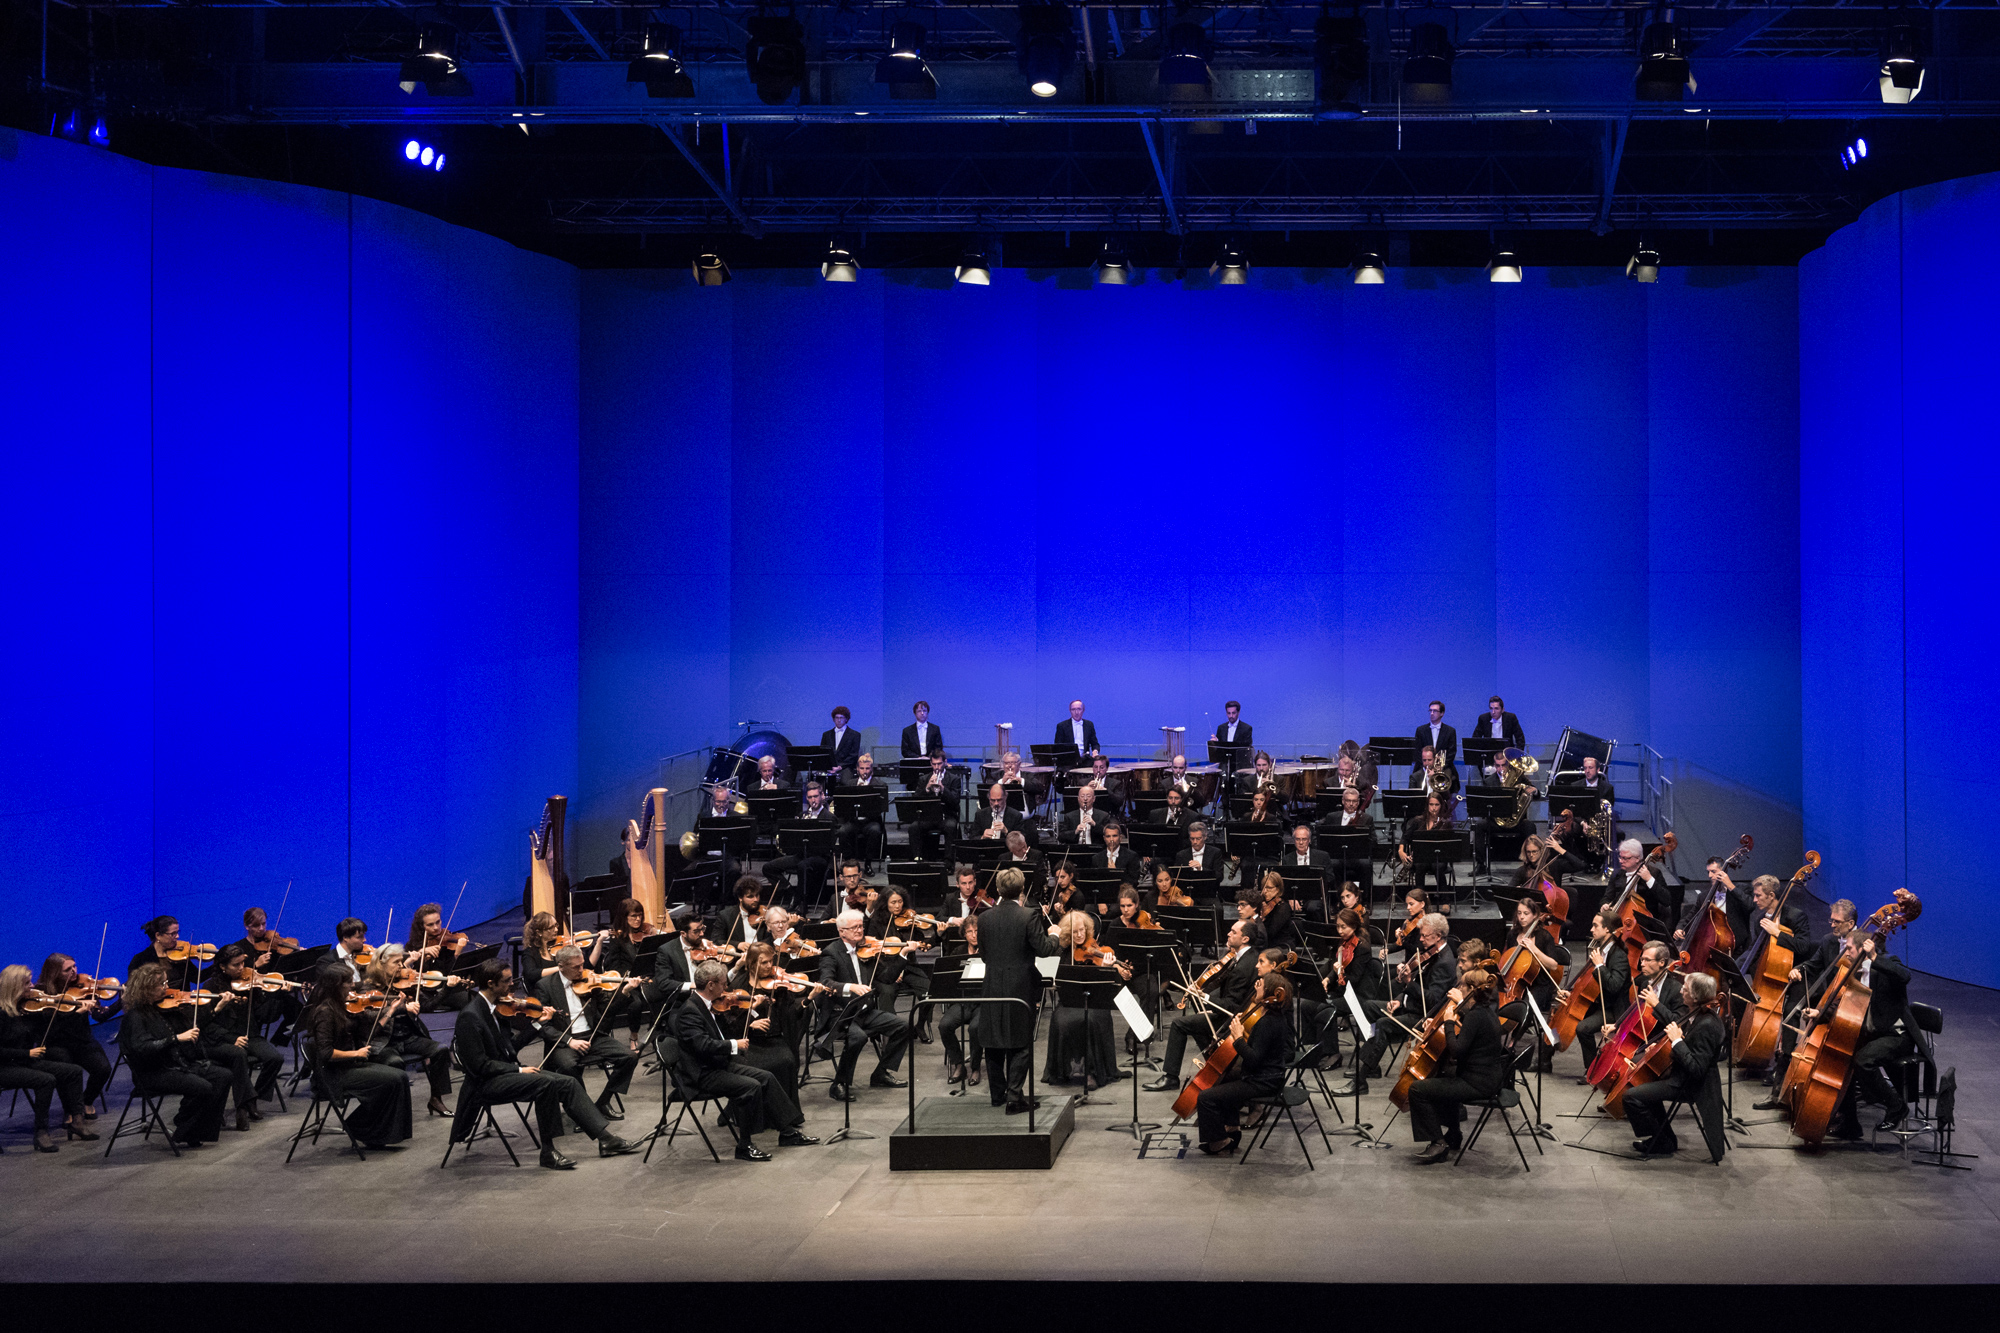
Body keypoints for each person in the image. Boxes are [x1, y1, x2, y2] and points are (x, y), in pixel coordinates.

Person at [448, 960, 640, 1169]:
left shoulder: (497, 1008)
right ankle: (547, 1152)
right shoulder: (471, 1016)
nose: (512, 985)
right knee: (544, 1083)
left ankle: (606, 1140)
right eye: (507, 981)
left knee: (567, 1083)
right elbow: (479, 1066)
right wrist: (519, 1069)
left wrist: (538, 1022)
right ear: (491, 983)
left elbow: (511, 1047)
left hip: (504, 1073)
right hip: (485, 1082)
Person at [669, 960, 818, 1161]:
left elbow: (729, 1030)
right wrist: (734, 1045)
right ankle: (744, 1146)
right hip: (701, 1074)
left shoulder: (710, 1005)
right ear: (711, 984)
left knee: (767, 1077)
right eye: (723, 983)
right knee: (750, 1086)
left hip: (719, 1065)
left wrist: (752, 1011)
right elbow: (702, 1045)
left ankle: (788, 1133)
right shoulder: (690, 1011)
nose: (727, 988)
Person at [1807, 923, 1917, 1138]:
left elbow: (1904, 976)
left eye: (1849, 948)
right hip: (1872, 1034)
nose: (1845, 952)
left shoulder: (1887, 962)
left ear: (1863, 949)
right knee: (1843, 1060)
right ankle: (1850, 1124)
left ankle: (1896, 1106)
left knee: (1862, 1060)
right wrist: (1819, 1014)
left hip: (1895, 1035)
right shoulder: (1854, 973)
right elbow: (1845, 1007)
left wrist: (1875, 957)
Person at [1339, 912, 1455, 1096]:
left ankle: (1360, 1079)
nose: (1421, 939)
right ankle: (1373, 1064)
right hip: (1408, 1005)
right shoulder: (1430, 954)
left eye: (1425, 935)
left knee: (1383, 1025)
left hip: (1422, 1016)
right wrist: (1399, 999)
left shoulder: (1445, 962)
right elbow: (1417, 985)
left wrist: (1409, 983)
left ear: (1438, 936)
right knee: (1369, 1006)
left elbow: (1432, 999)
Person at [299, 963, 413, 1151]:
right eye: (348, 982)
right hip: (334, 1074)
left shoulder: (342, 1006)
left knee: (399, 1077)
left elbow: (373, 1031)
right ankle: (359, 1127)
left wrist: (390, 1011)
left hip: (350, 1065)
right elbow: (326, 1053)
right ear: (336, 985)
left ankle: (371, 1131)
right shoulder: (325, 1013)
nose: (353, 986)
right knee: (393, 1079)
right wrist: (356, 1053)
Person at [117, 963, 231, 1149]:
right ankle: (185, 1128)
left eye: (165, 982)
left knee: (223, 1076)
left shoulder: (163, 1008)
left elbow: (191, 1027)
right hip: (153, 1072)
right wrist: (176, 1038)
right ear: (145, 989)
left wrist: (215, 1009)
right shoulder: (136, 1016)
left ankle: (190, 1127)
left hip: (175, 1064)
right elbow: (142, 1047)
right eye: (160, 985)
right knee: (202, 1087)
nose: (166, 988)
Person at [974, 867, 1061, 1113]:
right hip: (1020, 987)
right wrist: (1054, 935)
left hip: (991, 985)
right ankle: (1014, 1097)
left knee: (992, 1041)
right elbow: (1044, 949)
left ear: (998, 890)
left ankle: (997, 1095)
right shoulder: (1028, 916)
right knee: (1020, 1041)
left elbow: (983, 954)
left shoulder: (984, 917)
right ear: (1022, 889)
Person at [1144, 918, 1262, 1093]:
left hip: (1231, 1019)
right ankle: (1214, 1068)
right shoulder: (1248, 956)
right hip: (1233, 1013)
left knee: (1179, 1024)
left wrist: (1205, 997)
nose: (1228, 934)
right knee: (1197, 1025)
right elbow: (1223, 985)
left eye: (1233, 932)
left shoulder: (1242, 967)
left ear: (1245, 939)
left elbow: (1230, 1005)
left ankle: (1171, 1077)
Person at [1621, 971, 1729, 1156]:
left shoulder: (1708, 1025)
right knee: (1644, 1086)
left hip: (1689, 1084)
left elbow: (1697, 1069)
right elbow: (1685, 1040)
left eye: (1685, 990)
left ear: (1695, 997)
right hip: (1679, 1075)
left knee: (1631, 1097)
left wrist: (1677, 1042)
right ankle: (1664, 1140)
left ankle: (1661, 1141)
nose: (1681, 992)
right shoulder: (1695, 1013)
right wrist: (1659, 1048)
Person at [1406, 963, 1505, 1163]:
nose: (1459, 990)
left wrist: (1449, 1022)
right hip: (1489, 1078)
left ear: (1472, 990)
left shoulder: (1476, 1016)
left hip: (1477, 1084)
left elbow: (1457, 1051)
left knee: (1417, 1089)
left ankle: (1437, 1143)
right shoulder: (1485, 1012)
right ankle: (1453, 1134)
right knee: (1444, 1077)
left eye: (1462, 987)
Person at [531, 946, 644, 1122]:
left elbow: (607, 1010)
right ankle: (583, 1112)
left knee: (629, 1056)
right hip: (565, 1040)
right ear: (561, 966)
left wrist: (625, 991)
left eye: (582, 965)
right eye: (576, 967)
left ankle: (603, 1102)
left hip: (592, 1035)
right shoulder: (545, 986)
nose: (581, 970)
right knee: (568, 1066)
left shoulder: (589, 981)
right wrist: (569, 1041)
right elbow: (542, 1024)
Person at [1194, 973, 1295, 1157]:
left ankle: (1218, 1142)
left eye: (1260, 985)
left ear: (1269, 993)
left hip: (1263, 1081)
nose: (1256, 987)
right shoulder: (1269, 1015)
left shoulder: (1269, 1023)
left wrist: (1238, 1038)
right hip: (1265, 1075)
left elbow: (1254, 1059)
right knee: (1223, 1078)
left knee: (1205, 1097)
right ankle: (1232, 1128)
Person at [816, 909, 912, 1100]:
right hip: (842, 1014)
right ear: (842, 931)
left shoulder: (866, 950)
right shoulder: (831, 953)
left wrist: (903, 954)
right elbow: (825, 983)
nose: (860, 931)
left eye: (861, 926)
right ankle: (839, 1083)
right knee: (858, 1038)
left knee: (903, 1026)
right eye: (854, 928)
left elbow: (887, 978)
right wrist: (851, 987)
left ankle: (880, 1073)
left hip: (865, 1012)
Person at [0, 965, 94, 1151]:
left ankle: (77, 1121)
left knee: (73, 1071)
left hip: (25, 1063)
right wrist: (26, 1053)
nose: (32, 986)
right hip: (5, 1067)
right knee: (46, 1080)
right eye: (27, 983)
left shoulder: (26, 1010)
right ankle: (41, 1132)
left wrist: (75, 1014)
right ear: (14, 986)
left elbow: (50, 1030)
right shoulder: (2, 1014)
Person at [203, 943, 289, 1124]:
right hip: (223, 1038)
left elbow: (265, 1015)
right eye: (236, 965)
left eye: (243, 963)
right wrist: (231, 1037)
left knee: (275, 1058)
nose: (242, 968)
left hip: (249, 1034)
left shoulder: (250, 981)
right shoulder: (210, 986)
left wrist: (278, 995)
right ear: (222, 966)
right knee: (239, 1055)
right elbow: (206, 1024)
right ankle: (244, 1107)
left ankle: (253, 1098)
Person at [1044, 912, 1132, 1089]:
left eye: (1082, 930)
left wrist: (1108, 968)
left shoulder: (1095, 949)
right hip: (1069, 1000)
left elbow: (1110, 986)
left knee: (1090, 1020)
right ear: (1068, 934)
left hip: (1095, 1001)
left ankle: (1090, 1070)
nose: (1080, 935)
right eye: (1075, 932)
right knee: (1060, 1020)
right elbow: (1053, 978)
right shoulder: (1061, 952)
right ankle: (1065, 1069)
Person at [34, 953, 115, 1117]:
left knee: (103, 1069)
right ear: (54, 973)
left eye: (74, 967)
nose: (74, 972)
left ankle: (86, 1101)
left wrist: (120, 1003)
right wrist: (77, 1013)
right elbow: (52, 1029)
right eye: (67, 970)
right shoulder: (43, 994)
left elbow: (99, 1016)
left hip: (81, 1040)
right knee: (66, 1071)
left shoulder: (82, 986)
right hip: (56, 1043)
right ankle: (69, 1110)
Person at [1558, 909, 1634, 1071]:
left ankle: (1593, 1069)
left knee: (1583, 1028)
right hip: (1597, 1002)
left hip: (1613, 1008)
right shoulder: (1600, 950)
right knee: (1562, 1012)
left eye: (1595, 926)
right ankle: (1545, 1060)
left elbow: (1614, 986)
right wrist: (1572, 994)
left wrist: (1600, 966)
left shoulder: (1618, 955)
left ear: (1607, 929)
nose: (1591, 930)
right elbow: (1590, 984)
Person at [765, 780, 835, 902]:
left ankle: (800, 902)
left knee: (803, 866)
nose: (813, 800)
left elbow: (829, 845)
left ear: (822, 796)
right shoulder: (802, 815)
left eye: (815, 796)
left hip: (821, 858)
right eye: (810, 797)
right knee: (768, 867)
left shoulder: (829, 817)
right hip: (801, 855)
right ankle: (790, 891)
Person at [936, 914, 984, 1084]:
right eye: (969, 931)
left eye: (977, 931)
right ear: (964, 934)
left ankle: (976, 1067)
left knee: (975, 1029)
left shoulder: (989, 951)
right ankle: (959, 1064)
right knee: (944, 1026)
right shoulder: (958, 952)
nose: (973, 935)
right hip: (963, 1000)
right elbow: (949, 979)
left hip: (984, 1002)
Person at [1397, 793, 1456, 893]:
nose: (1434, 808)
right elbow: (1406, 837)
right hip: (1422, 857)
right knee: (1420, 865)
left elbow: (1449, 845)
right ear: (1427, 805)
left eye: (1437, 805)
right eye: (1431, 804)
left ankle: (1445, 900)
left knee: (1438, 866)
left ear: (1441, 806)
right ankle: (1419, 898)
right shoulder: (1418, 821)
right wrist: (1401, 850)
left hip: (1439, 857)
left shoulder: (1446, 823)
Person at [836, 753, 887, 868]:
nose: (865, 771)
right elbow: (844, 806)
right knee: (842, 831)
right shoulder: (850, 784)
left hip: (870, 821)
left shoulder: (880, 785)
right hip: (854, 820)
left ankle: (868, 863)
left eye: (867, 768)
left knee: (875, 831)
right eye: (862, 768)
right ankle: (849, 862)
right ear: (858, 769)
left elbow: (881, 808)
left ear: (871, 769)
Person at [128, 915, 203, 992]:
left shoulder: (179, 956)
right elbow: (135, 988)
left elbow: (197, 978)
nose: (177, 936)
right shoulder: (141, 959)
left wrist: (215, 965)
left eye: (177, 932)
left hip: (181, 1002)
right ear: (158, 936)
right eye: (173, 934)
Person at [911, 752, 961, 859]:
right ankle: (917, 859)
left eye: (939, 764)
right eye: (934, 764)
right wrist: (927, 788)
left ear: (945, 762)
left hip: (946, 816)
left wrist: (943, 789)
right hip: (928, 817)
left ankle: (948, 862)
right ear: (931, 763)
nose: (936, 767)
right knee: (914, 827)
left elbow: (955, 801)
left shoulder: (954, 779)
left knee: (951, 827)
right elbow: (916, 800)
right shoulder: (924, 779)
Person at [1470, 696, 1526, 761]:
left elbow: (1520, 738)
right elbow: (1475, 738)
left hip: (1507, 755)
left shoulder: (1510, 718)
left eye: (1496, 709)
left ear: (1502, 710)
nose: (1493, 712)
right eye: (1491, 708)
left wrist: (1516, 755)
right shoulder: (1483, 718)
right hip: (1489, 755)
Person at [1061, 781, 1110, 847]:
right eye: (1082, 796)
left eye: (1088, 796)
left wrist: (1094, 824)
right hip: (1076, 850)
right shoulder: (1069, 816)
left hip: (1096, 850)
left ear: (1094, 799)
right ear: (1078, 799)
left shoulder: (1104, 815)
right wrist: (1076, 831)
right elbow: (1061, 837)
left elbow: (1109, 834)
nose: (1085, 799)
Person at [822, 705, 862, 772]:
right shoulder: (826, 735)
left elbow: (853, 756)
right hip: (829, 767)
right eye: (837, 718)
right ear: (834, 719)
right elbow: (823, 753)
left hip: (846, 768)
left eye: (841, 718)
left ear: (846, 719)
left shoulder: (855, 735)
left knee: (846, 780)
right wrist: (830, 766)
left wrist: (840, 767)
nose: (839, 720)